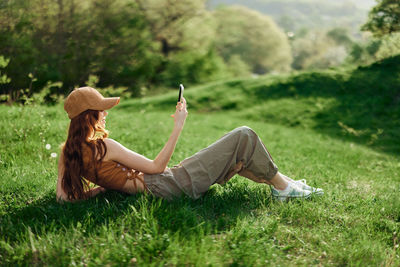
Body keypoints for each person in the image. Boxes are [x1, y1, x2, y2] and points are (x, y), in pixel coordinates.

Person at [56, 87, 323, 203]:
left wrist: (104, 188)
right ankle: (284, 188)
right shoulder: (105, 146)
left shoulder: (67, 152)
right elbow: (157, 167)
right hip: (166, 186)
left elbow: (64, 198)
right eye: (101, 110)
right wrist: (178, 125)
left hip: (161, 185)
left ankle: (287, 185)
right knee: (244, 134)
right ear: (89, 116)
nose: (105, 114)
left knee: (237, 151)